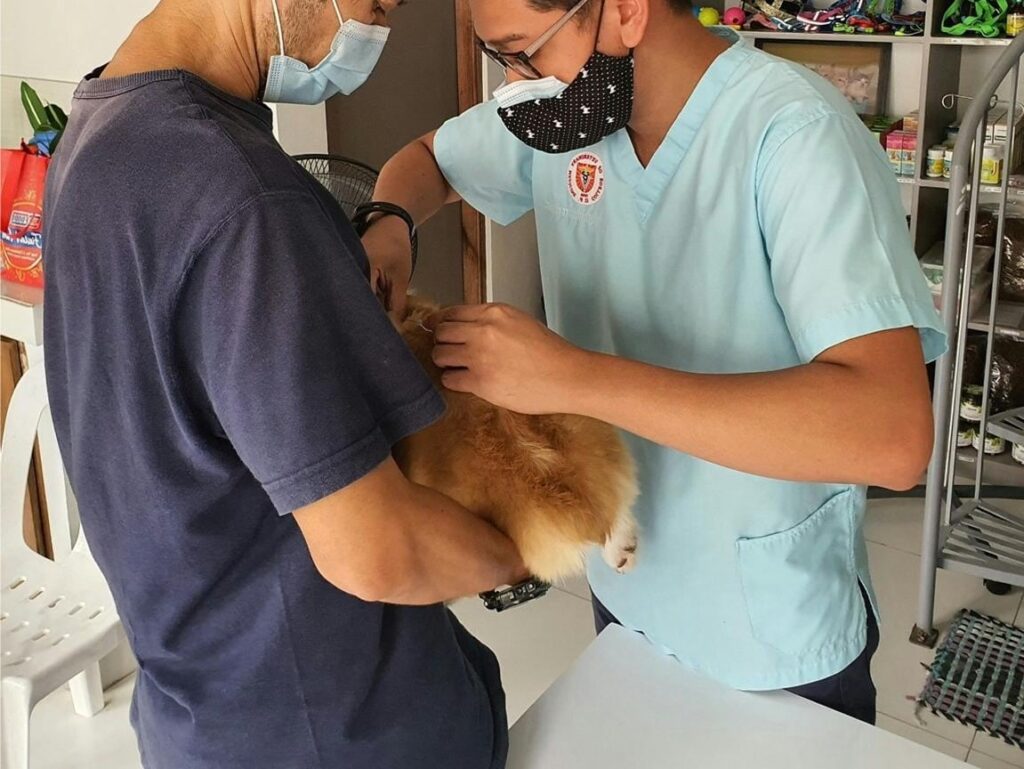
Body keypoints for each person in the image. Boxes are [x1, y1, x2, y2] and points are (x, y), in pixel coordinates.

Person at [363, 0, 946, 724]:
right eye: (499, 60)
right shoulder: (562, 117)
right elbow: (429, 160)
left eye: (524, 51)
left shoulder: (793, 134)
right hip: (629, 591)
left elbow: (891, 437)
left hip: (766, 634)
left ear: (628, 11)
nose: (517, 83)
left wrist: (573, 377)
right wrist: (389, 222)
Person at [42, 0, 526, 767]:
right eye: (376, 6)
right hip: (336, 731)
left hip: (198, 716)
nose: (376, 33)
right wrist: (520, 554)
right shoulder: (240, 197)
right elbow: (378, 550)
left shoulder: (96, 128)